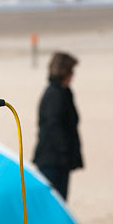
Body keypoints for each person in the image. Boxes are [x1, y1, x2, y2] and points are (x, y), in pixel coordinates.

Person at [32, 51, 83, 201]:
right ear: (64, 72)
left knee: (60, 202)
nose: (73, 76)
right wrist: (65, 151)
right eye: (71, 72)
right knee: (53, 203)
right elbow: (52, 127)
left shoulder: (64, 92)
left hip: (61, 161)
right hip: (52, 161)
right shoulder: (54, 94)